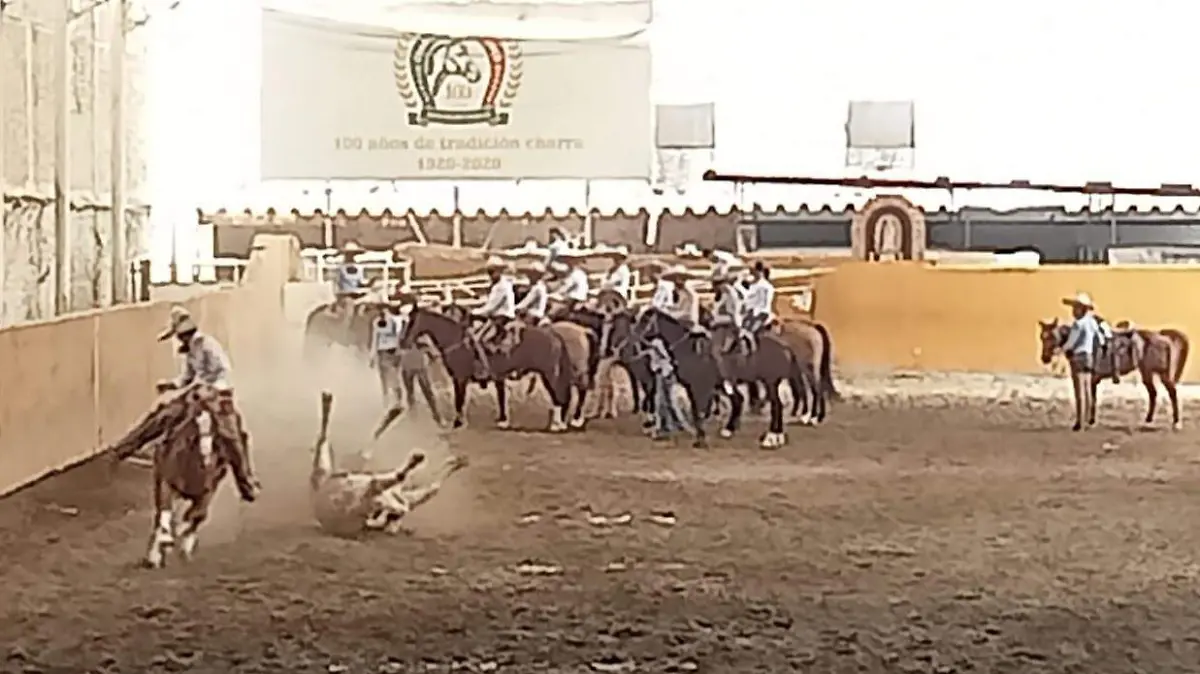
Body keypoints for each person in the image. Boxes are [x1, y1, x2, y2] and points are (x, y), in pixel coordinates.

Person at [153, 306, 257, 490]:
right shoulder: (191, 351)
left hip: (219, 393)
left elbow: (224, 370)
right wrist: (172, 385)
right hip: (198, 393)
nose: (178, 339)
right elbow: (188, 376)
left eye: (178, 335)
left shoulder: (208, 345)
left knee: (230, 435)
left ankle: (245, 480)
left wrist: (209, 388)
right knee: (168, 414)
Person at [372, 292, 445, 426]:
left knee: (425, 390)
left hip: (414, 357)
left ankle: (435, 417)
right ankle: (418, 419)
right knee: (412, 391)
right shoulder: (402, 321)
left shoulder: (414, 322)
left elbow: (422, 339)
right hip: (408, 358)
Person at [1062, 292, 1107, 430]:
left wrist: (1064, 349)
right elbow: (1101, 339)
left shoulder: (1078, 324)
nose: (1074, 311)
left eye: (1076, 308)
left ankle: (1080, 421)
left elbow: (1071, 342)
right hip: (1089, 356)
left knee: (1079, 390)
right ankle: (1088, 419)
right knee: (1088, 389)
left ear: (1081, 309)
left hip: (1078, 357)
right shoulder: (1092, 323)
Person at [636, 334, 690, 441]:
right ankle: (670, 425)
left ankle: (665, 427)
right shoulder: (652, 345)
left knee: (661, 401)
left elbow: (665, 356)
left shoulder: (656, 342)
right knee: (664, 401)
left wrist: (655, 350)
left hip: (665, 374)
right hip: (663, 374)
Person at [470, 257, 516, 378]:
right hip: (502, 315)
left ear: (499, 271)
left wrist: (474, 312)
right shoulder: (502, 284)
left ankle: (487, 368)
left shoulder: (500, 287)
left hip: (501, 317)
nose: (490, 275)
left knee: (478, 339)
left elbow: (491, 307)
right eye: (489, 272)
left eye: (492, 272)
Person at [331, 241, 373, 327]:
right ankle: (345, 328)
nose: (350, 256)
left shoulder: (359, 268)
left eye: (352, 254)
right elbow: (337, 283)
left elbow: (361, 283)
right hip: (345, 295)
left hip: (358, 295)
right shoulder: (341, 268)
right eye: (348, 254)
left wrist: (371, 283)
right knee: (349, 308)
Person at [738, 261, 776, 353]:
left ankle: (754, 353)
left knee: (748, 332)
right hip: (750, 313)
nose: (751, 273)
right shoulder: (753, 285)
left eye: (753, 271)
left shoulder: (765, 286)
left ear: (760, 271)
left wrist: (752, 314)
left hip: (760, 314)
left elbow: (763, 304)